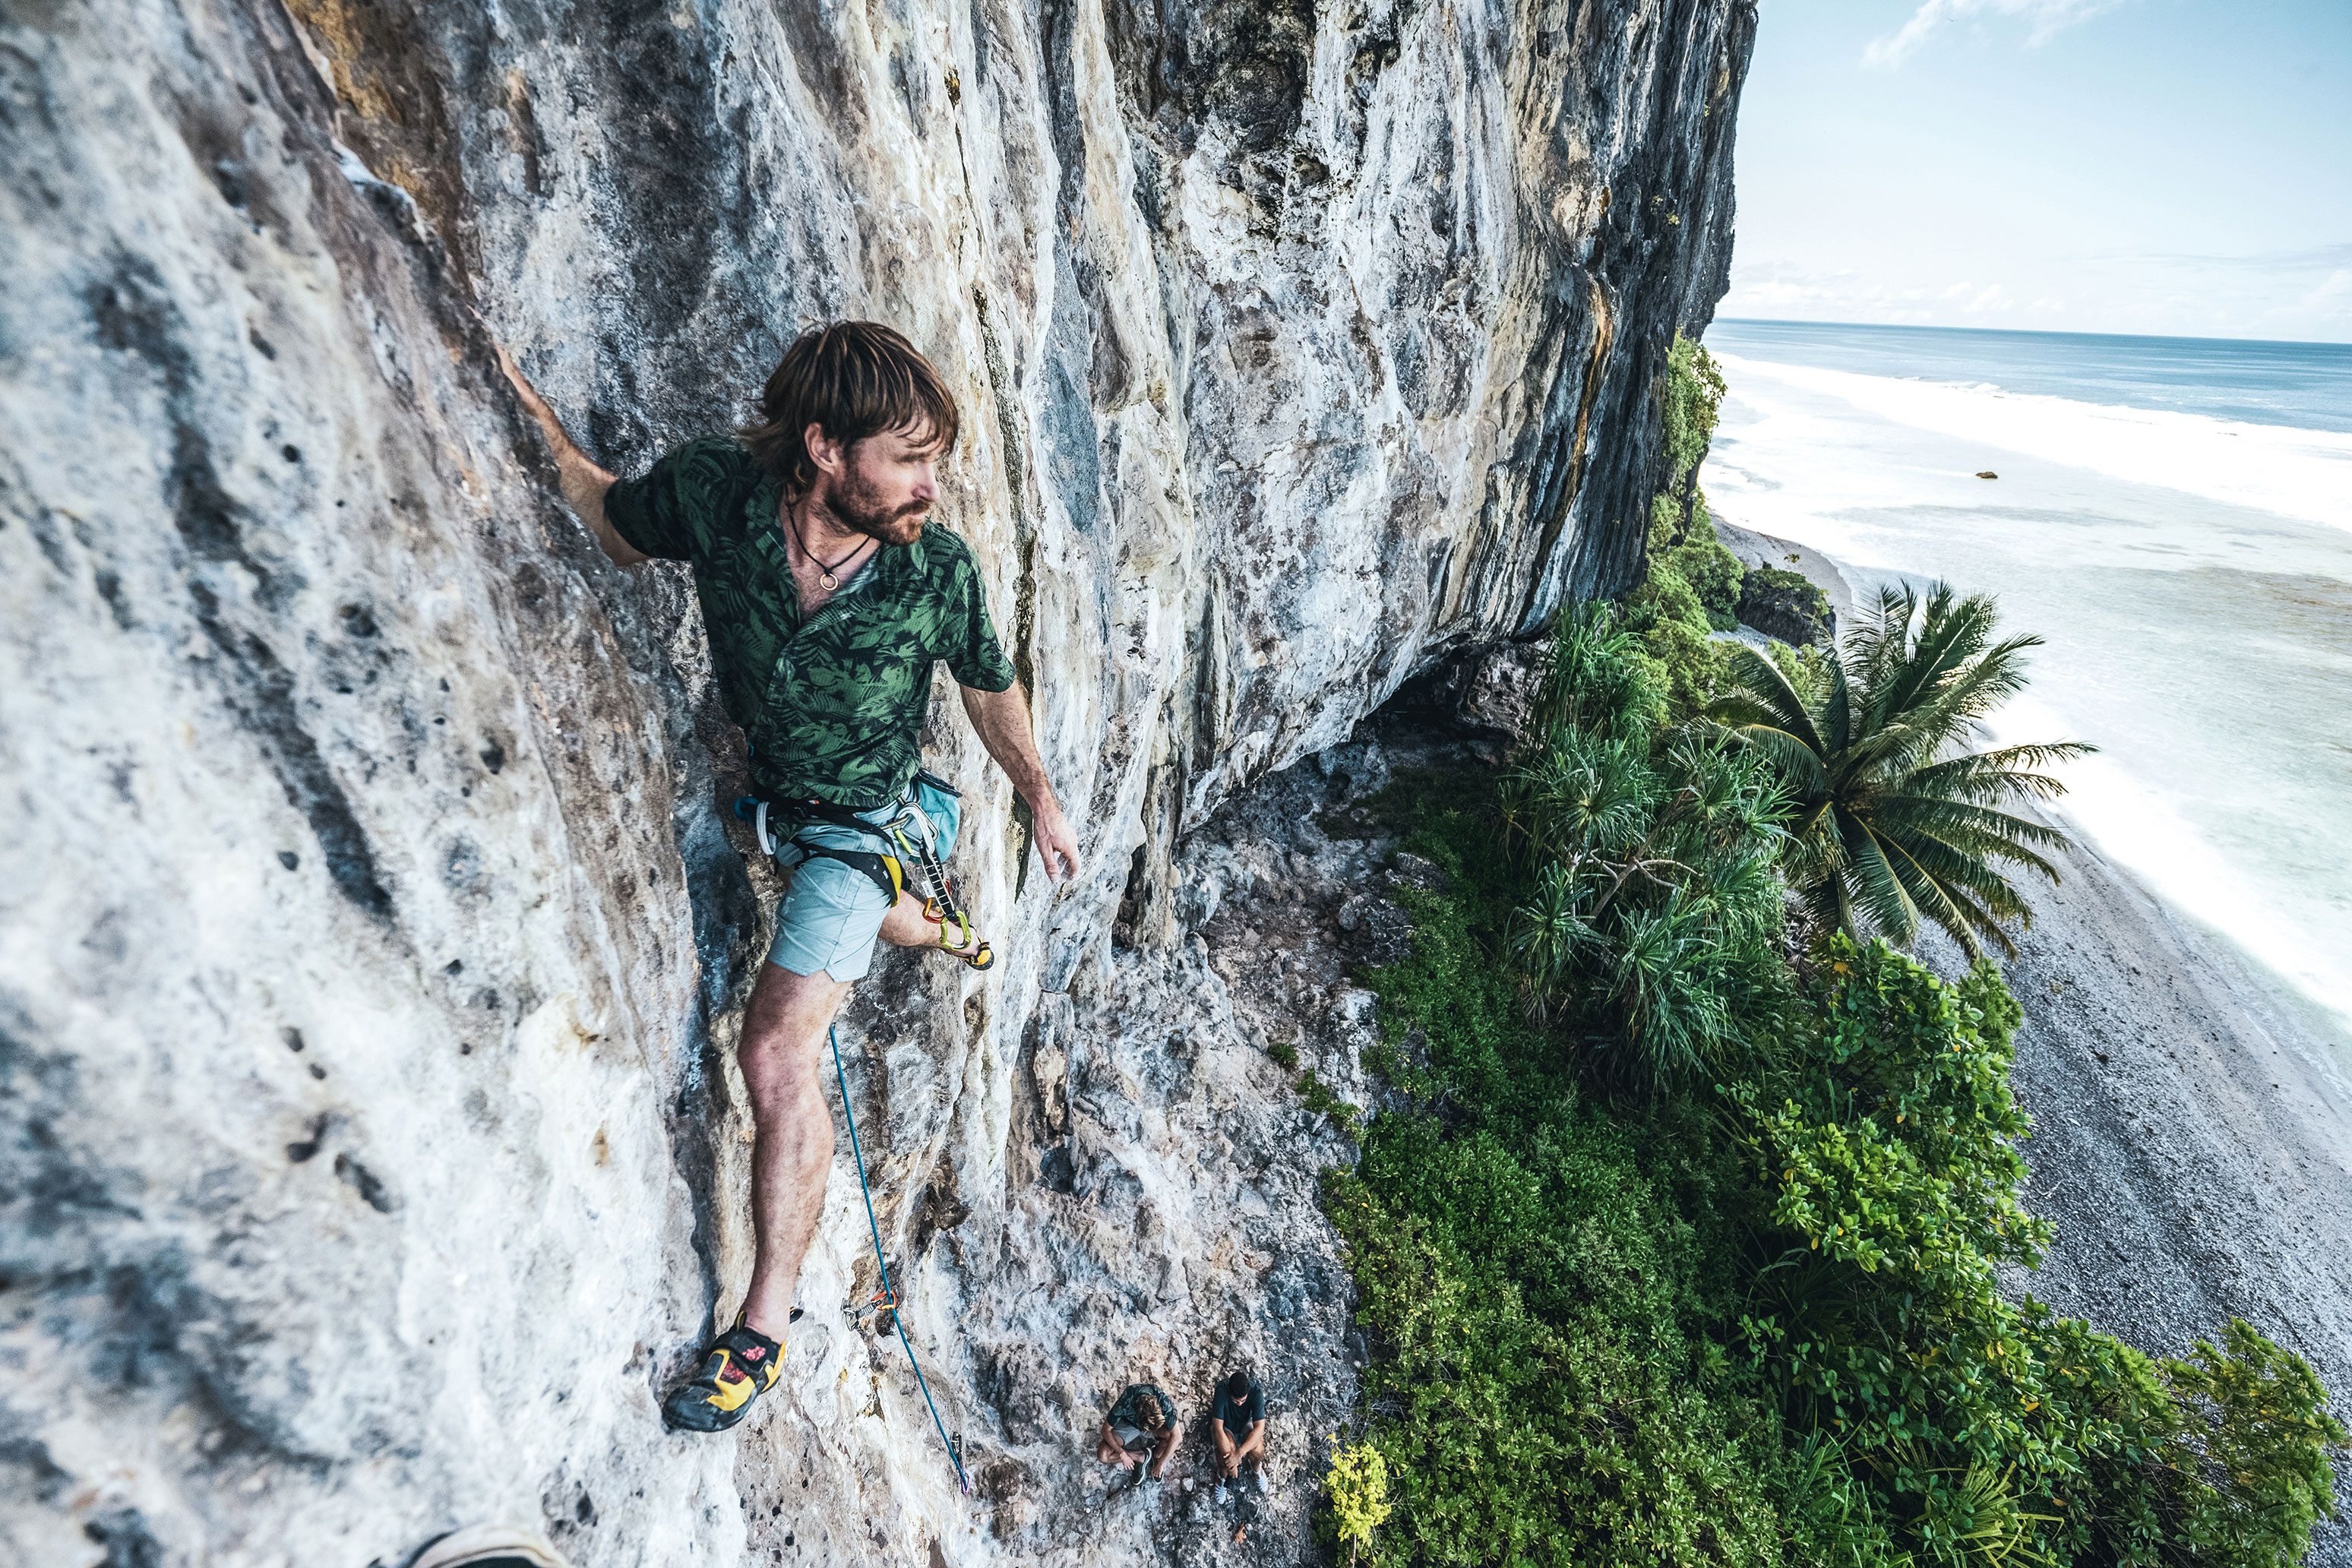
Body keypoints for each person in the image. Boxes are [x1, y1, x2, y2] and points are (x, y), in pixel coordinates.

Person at [498, 322, 1082, 1433]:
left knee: (774, 1049)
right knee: (855, 906)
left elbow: (987, 686)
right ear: (824, 447)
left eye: (937, 459)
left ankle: (760, 1328)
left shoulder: (931, 570)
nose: (931, 484)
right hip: (775, 808)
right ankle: (923, 923)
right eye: (909, 459)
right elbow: (614, 521)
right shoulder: (720, 497)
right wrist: (515, 404)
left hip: (865, 824)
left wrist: (1039, 795)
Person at [1095, 1382, 1181, 1488]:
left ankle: (1156, 1456)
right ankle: (1140, 1457)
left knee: (1170, 1436)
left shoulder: (1163, 1402)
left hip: (1154, 1427)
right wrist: (1122, 1453)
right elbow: (1105, 1430)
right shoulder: (1126, 1402)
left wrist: (1162, 1464)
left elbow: (1177, 1437)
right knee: (1103, 1455)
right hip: (1130, 1425)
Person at [1209, 1368, 1268, 1501]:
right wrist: (1232, 1464)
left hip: (1246, 1425)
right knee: (1225, 1454)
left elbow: (1260, 1428)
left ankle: (1257, 1469)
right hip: (1227, 1426)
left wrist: (1239, 1454)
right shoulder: (1221, 1390)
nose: (1240, 1404)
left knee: (1258, 1450)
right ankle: (1222, 1476)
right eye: (1236, 1401)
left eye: (1243, 1400)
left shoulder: (1256, 1392)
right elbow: (1218, 1428)